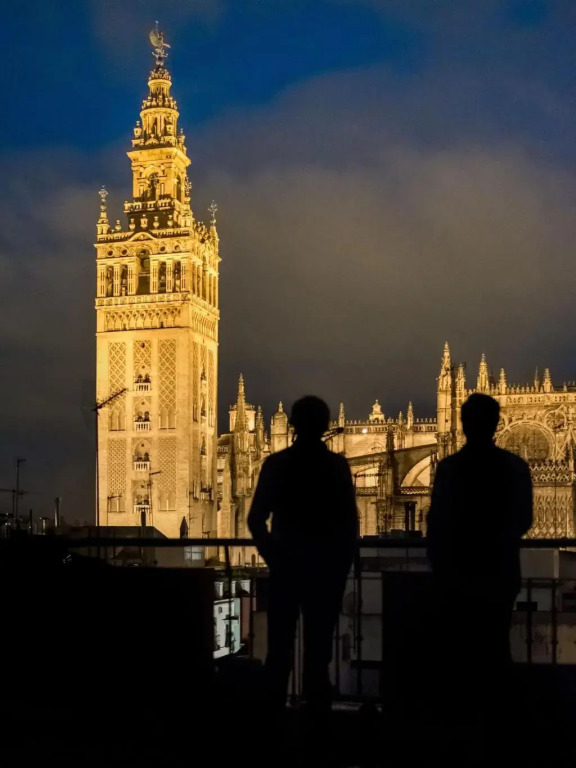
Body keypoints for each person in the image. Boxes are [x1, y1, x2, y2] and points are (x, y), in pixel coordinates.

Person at [426, 393, 533, 731]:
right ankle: (501, 733)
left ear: (462, 423)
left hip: (456, 577)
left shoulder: (449, 469)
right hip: (500, 574)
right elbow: (525, 519)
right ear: (497, 423)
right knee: (497, 651)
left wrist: (442, 566)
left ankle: (459, 733)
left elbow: (435, 524)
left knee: (458, 656)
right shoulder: (515, 467)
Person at [247, 396, 358, 717]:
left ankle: (274, 725)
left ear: (293, 425)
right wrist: (340, 567)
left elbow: (255, 520)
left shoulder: (277, 464)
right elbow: (350, 525)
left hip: (286, 571)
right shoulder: (336, 467)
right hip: (325, 573)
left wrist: (275, 558)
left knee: (278, 651)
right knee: (319, 655)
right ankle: (317, 726)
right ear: (325, 426)